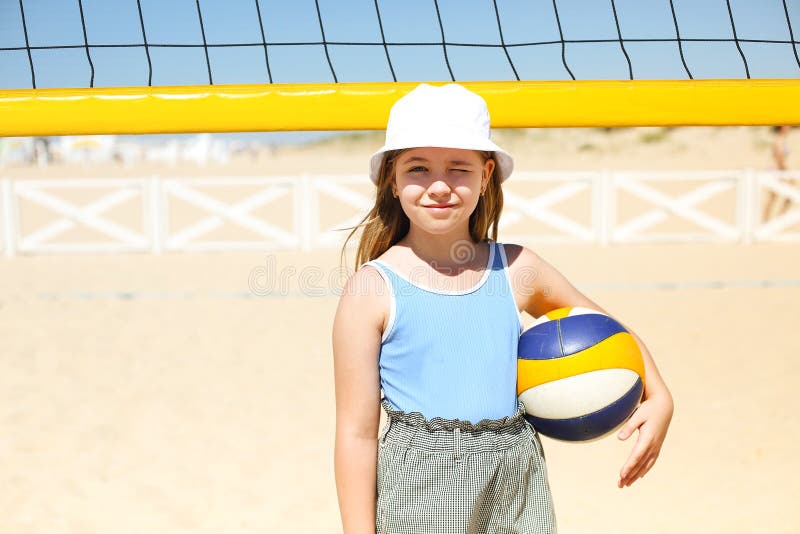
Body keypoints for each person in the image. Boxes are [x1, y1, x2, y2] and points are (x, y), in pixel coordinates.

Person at [331, 84, 674, 534]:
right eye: (418, 168)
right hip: (422, 490)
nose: (439, 186)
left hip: (516, 480)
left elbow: (609, 330)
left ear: (486, 174)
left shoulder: (515, 269)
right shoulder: (371, 290)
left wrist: (660, 395)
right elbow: (356, 437)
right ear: (392, 181)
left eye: (459, 169)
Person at [763, 125, 795, 221]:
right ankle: (769, 222)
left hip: (780, 171)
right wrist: (787, 173)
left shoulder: (782, 140)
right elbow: (779, 158)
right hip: (777, 172)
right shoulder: (778, 140)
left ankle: (775, 221)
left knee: (780, 197)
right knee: (775, 197)